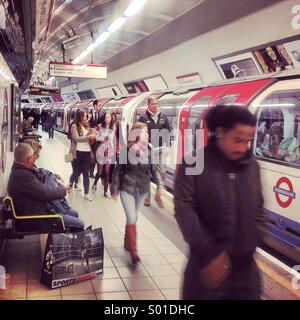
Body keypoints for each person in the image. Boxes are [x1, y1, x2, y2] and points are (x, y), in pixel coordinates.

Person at [174, 105, 266, 300]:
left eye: (248, 142)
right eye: (237, 140)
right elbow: (184, 209)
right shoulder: (193, 163)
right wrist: (211, 253)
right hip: (206, 269)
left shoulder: (252, 167)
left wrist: (252, 242)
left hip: (245, 274)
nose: (243, 148)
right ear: (219, 132)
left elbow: (258, 209)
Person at [111, 122, 163, 265]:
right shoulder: (125, 151)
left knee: (134, 217)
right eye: (145, 131)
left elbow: (154, 171)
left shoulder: (150, 150)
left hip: (142, 189)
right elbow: (117, 171)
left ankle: (127, 241)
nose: (147, 133)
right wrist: (114, 189)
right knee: (132, 217)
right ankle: (134, 253)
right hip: (127, 187)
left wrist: (160, 186)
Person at [7, 143, 84, 231]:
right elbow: (46, 193)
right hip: (34, 218)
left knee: (74, 214)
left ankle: (66, 239)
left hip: (35, 209)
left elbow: (41, 189)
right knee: (80, 224)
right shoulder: (23, 176)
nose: (35, 158)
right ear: (28, 159)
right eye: (33, 156)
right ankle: (66, 241)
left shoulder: (20, 170)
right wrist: (63, 190)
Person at [138, 95, 171, 207]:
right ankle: (147, 198)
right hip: (148, 150)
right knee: (147, 174)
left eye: (156, 104)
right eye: (153, 104)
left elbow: (168, 130)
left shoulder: (163, 116)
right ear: (148, 105)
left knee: (162, 172)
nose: (155, 106)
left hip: (161, 149)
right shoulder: (143, 118)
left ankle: (158, 194)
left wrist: (168, 146)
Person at [70, 110, 96, 201]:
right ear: (79, 116)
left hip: (87, 152)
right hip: (77, 152)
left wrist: (93, 137)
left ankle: (86, 193)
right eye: (84, 116)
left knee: (86, 173)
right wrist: (89, 137)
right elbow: (76, 138)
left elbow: (90, 141)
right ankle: (70, 184)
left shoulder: (86, 126)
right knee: (76, 172)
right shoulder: (73, 126)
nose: (86, 118)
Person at [92, 112, 116, 197]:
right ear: (104, 118)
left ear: (111, 118)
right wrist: (103, 138)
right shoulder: (100, 127)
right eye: (106, 117)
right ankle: (95, 183)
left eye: (109, 117)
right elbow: (96, 137)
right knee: (100, 172)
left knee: (107, 172)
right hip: (101, 151)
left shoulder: (114, 127)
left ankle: (106, 192)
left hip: (110, 151)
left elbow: (114, 140)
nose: (107, 119)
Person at [89, 99, 104, 178]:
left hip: (97, 138)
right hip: (89, 138)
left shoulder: (101, 114)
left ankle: (91, 172)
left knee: (94, 156)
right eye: (99, 105)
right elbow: (86, 125)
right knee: (89, 155)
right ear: (94, 105)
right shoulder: (89, 113)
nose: (100, 107)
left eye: (100, 105)